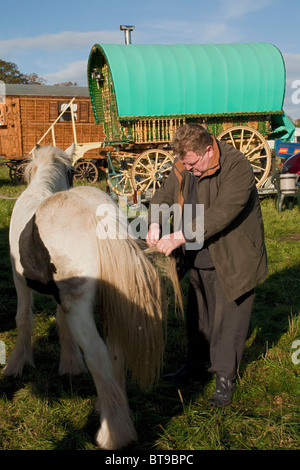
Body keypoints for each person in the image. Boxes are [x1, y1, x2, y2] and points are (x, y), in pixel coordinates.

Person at [146, 123, 268, 407]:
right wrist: (155, 222)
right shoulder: (185, 163)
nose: (189, 170)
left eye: (193, 164)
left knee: (228, 323)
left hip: (232, 257)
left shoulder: (237, 167)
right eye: (185, 164)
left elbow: (222, 213)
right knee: (198, 317)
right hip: (197, 256)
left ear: (209, 150)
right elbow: (163, 196)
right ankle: (194, 364)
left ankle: (225, 379)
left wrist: (179, 235)